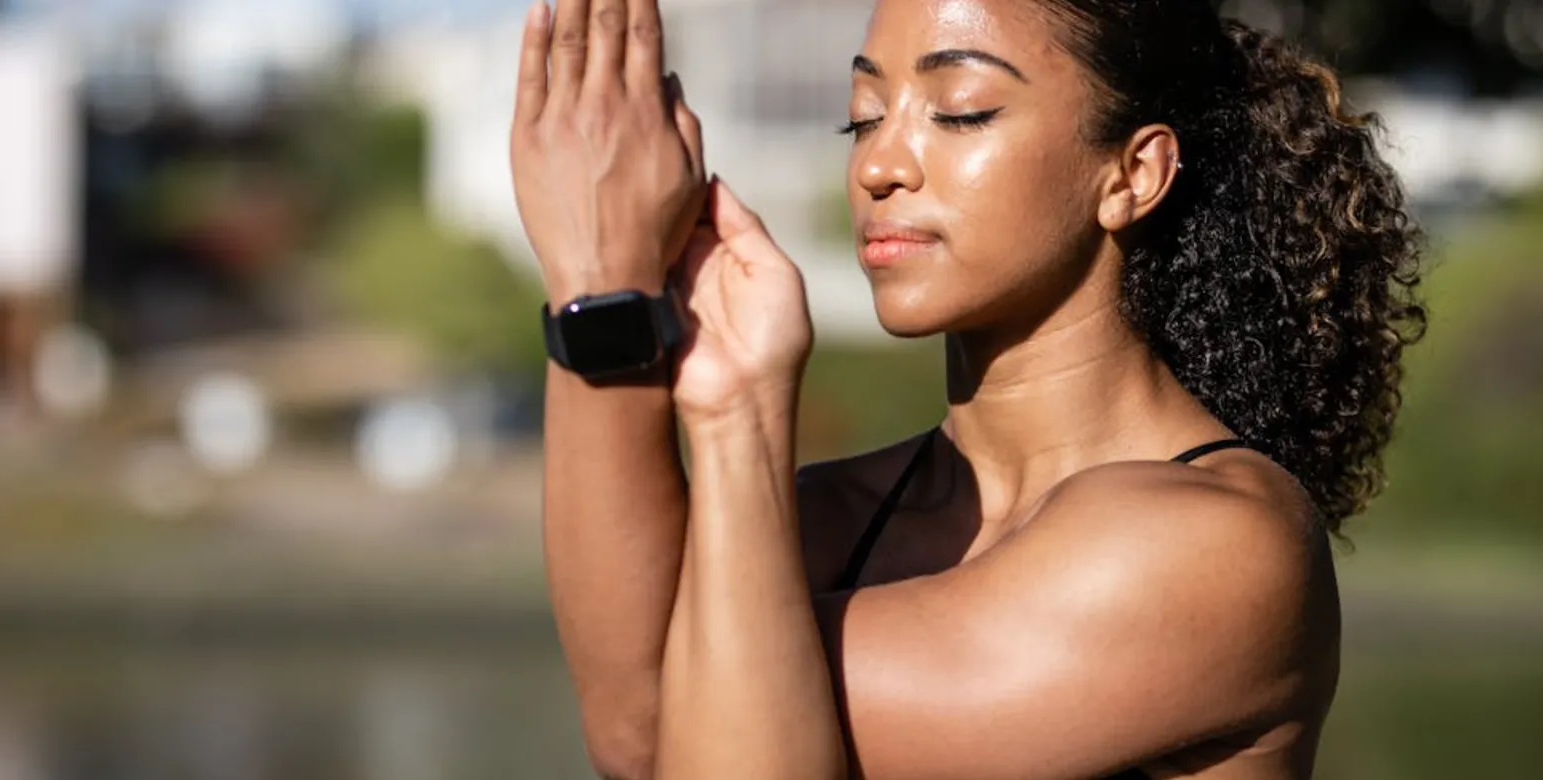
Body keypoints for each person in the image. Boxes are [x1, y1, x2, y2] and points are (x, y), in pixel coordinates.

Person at [509, 0, 1423, 777]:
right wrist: (595, 278)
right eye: (863, 117)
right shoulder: (835, 514)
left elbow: (680, 729)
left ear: (1133, 173)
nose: (878, 167)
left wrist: (730, 408)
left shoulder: (1217, 544)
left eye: (961, 110)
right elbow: (636, 730)